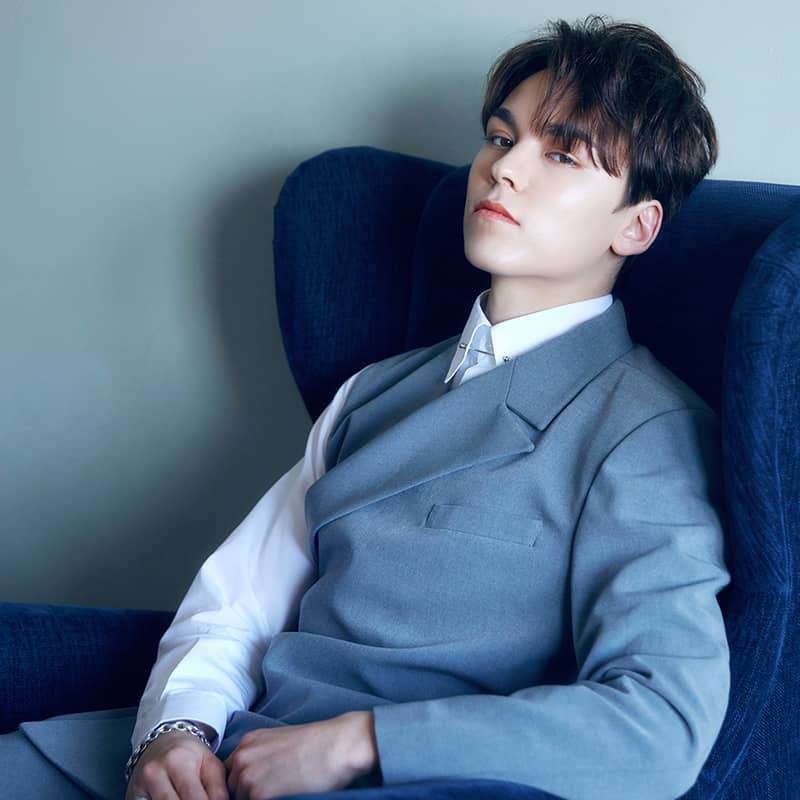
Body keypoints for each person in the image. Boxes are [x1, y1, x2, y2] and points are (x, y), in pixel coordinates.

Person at [0, 15, 730, 800]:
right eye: (499, 137)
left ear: (636, 225)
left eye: (560, 153)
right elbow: (238, 603)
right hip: (211, 758)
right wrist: (175, 731)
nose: (503, 168)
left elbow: (661, 725)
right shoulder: (372, 390)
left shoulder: (645, 429)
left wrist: (366, 743)